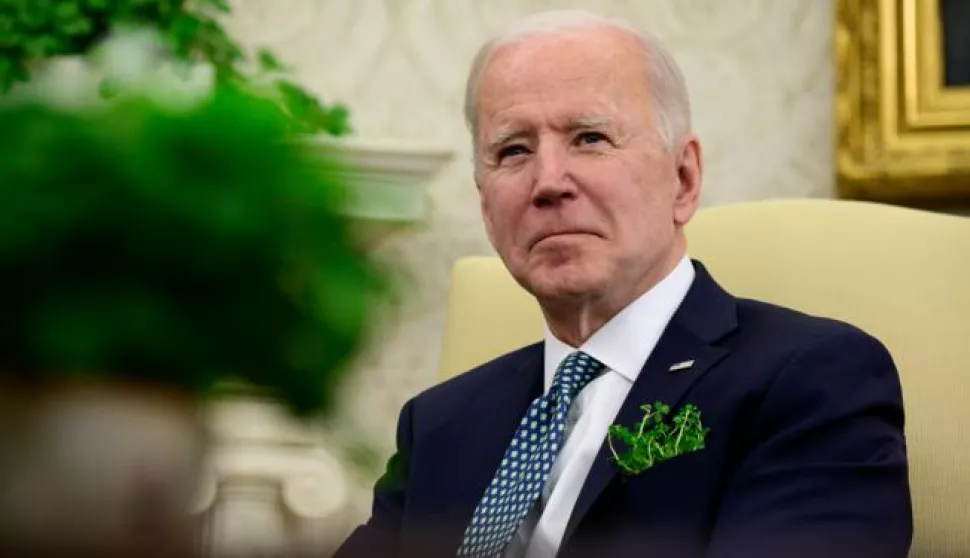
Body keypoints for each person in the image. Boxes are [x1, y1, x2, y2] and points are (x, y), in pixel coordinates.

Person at [334, 10, 912, 558]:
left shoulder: (806, 379)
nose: (549, 182)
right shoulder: (439, 423)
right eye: (513, 151)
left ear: (683, 180)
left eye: (590, 138)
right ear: (486, 206)